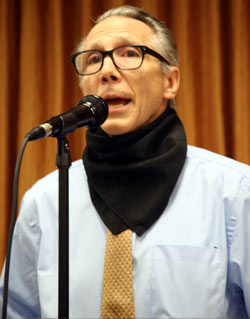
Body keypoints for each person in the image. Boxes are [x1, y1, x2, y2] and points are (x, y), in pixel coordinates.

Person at [0, 5, 250, 319]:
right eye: (93, 59)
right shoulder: (45, 202)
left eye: (129, 53)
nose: (107, 71)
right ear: (83, 89)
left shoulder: (235, 193)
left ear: (170, 82)